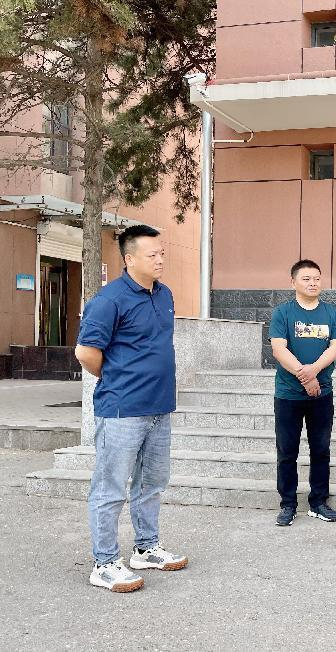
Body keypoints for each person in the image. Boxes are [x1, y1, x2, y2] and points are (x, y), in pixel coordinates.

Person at [76, 225, 187, 593]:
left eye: (162, 253)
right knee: (110, 488)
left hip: (159, 406)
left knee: (152, 483)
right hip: (122, 409)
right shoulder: (109, 300)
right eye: (152, 254)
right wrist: (117, 378)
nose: (160, 259)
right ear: (129, 259)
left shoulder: (164, 294)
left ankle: (146, 548)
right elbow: (86, 352)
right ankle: (105, 563)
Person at [270, 260, 336, 526]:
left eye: (317, 278)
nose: (313, 283)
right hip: (288, 395)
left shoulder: (330, 312)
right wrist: (305, 377)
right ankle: (288, 504)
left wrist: (313, 372)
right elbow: (279, 349)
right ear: (293, 282)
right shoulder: (283, 312)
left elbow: (335, 347)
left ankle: (318, 502)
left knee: (321, 449)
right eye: (306, 279)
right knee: (287, 452)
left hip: (322, 395)